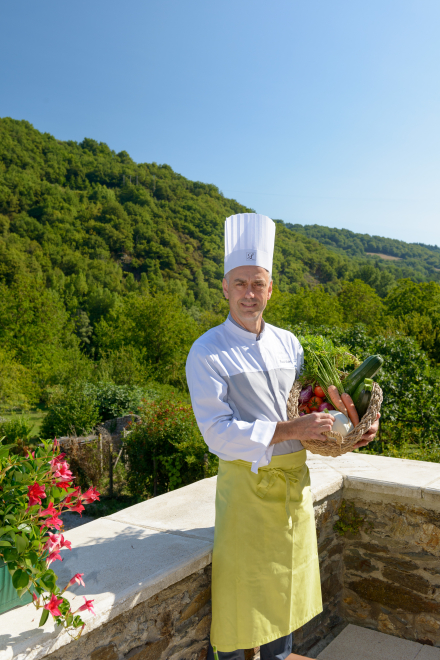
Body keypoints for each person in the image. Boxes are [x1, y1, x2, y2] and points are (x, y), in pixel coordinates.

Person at [186, 213, 379, 660]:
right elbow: (215, 433)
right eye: (241, 284)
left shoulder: (289, 344)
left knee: (285, 593)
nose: (250, 294)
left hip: (294, 486)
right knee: (240, 600)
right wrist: (292, 430)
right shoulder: (207, 350)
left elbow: (312, 405)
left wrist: (353, 429)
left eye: (258, 284)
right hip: (247, 490)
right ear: (225, 288)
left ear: (271, 289)